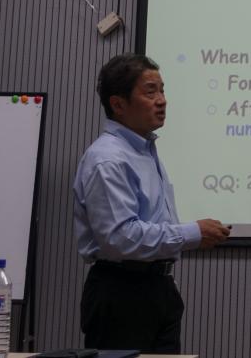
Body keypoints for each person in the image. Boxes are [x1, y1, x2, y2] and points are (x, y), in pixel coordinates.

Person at [73, 53, 232, 353]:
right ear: (118, 104)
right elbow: (120, 238)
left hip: (157, 289)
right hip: (122, 293)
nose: (162, 100)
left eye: (162, 90)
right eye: (150, 92)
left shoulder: (144, 151)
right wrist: (192, 233)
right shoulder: (108, 160)